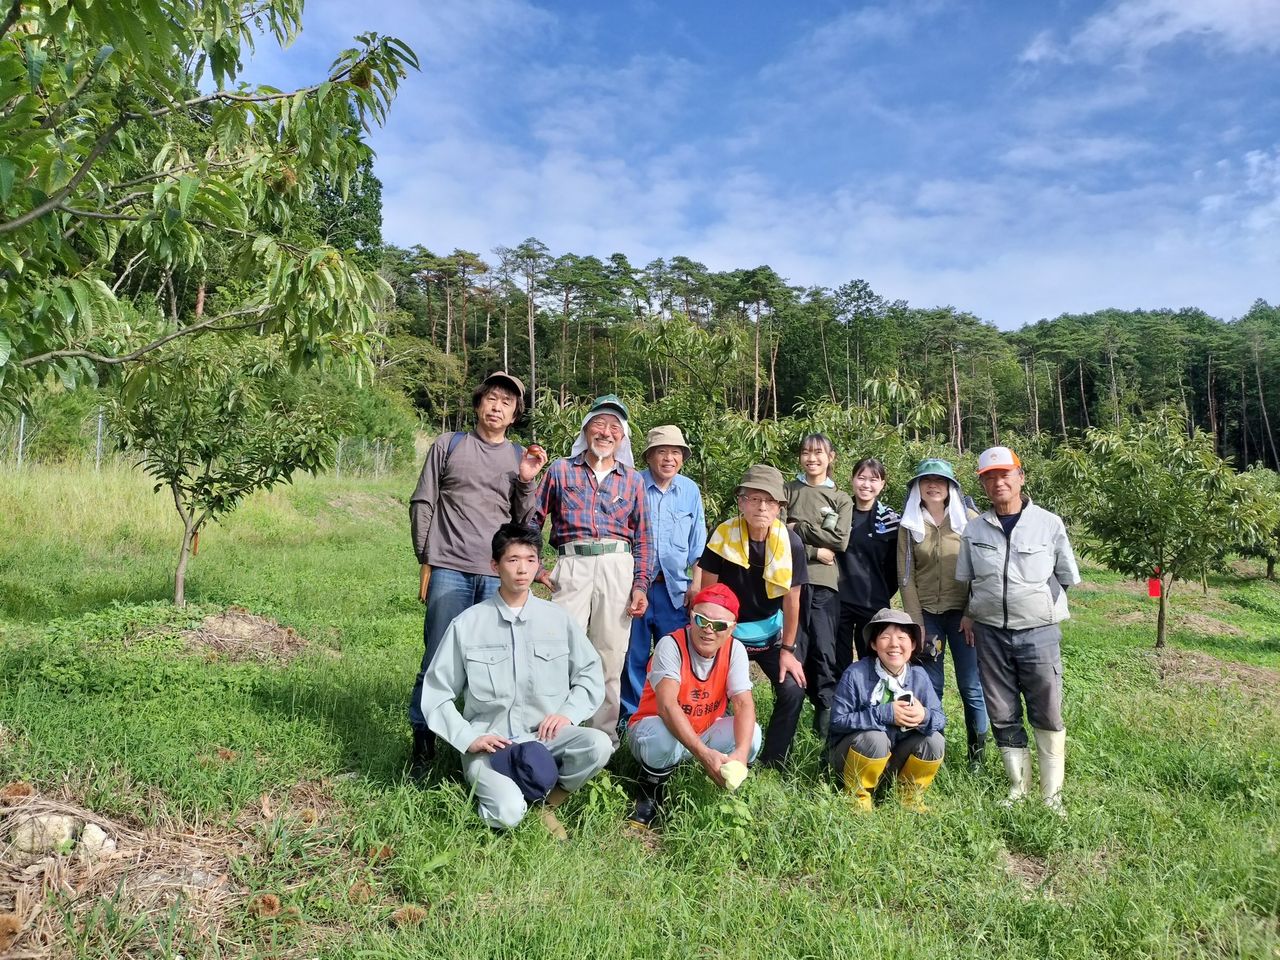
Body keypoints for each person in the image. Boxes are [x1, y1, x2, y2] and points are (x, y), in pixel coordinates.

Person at [419, 523, 612, 837]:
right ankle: (509, 796)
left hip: (544, 738)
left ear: (538, 565)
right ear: (495, 565)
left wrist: (568, 714)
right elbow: (436, 693)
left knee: (598, 745)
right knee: (508, 813)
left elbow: (589, 673)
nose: (522, 569)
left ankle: (547, 803)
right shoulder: (468, 624)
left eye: (530, 560)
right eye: (512, 560)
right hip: (490, 745)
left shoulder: (557, 619)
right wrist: (468, 738)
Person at [407, 371, 549, 778]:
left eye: (507, 402)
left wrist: (526, 481)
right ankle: (423, 740)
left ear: (514, 414)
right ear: (478, 404)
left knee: (492, 662)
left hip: (496, 575)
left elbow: (524, 523)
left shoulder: (518, 456)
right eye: (492, 398)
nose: (497, 406)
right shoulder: (448, 445)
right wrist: (427, 555)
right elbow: (423, 500)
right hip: (449, 568)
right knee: (437, 658)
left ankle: (483, 744)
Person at [957, 446, 1081, 815]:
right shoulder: (975, 528)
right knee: (1002, 709)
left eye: (1004, 475)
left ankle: (1051, 794)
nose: (998, 483)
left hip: (1038, 632)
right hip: (991, 632)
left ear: (1020, 477)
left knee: (1047, 709)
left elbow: (1066, 576)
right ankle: (1018, 787)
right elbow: (969, 580)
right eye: (989, 477)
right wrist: (971, 614)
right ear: (982, 484)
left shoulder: (1049, 524)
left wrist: (1037, 607)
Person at [531, 394, 653, 745]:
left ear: (623, 438)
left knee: (610, 655)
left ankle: (602, 741)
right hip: (572, 564)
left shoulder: (632, 481)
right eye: (599, 424)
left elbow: (644, 538)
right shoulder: (560, 469)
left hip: (618, 568)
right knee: (557, 650)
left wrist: (640, 585)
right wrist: (538, 567)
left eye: (615, 427)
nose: (606, 432)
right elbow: (532, 520)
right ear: (586, 430)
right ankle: (553, 734)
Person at [697, 464, 808, 769]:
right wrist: (714, 643)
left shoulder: (790, 543)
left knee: (793, 689)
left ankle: (773, 759)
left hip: (771, 633)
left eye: (770, 501)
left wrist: (788, 650)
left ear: (780, 507)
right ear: (741, 502)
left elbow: (792, 602)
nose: (762, 507)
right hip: (727, 632)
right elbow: (708, 596)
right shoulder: (723, 535)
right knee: (714, 688)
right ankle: (711, 747)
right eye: (754, 498)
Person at [625, 583, 761, 829]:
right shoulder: (671, 645)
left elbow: (743, 704)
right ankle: (650, 794)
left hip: (701, 733)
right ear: (691, 616)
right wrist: (703, 754)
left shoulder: (735, 650)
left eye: (719, 625)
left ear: (732, 629)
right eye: (702, 620)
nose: (708, 630)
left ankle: (731, 789)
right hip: (653, 731)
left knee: (753, 736)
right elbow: (666, 706)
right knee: (661, 736)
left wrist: (740, 754)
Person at [897, 458, 989, 771]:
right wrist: (916, 623)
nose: (932, 486)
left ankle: (977, 757)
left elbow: (981, 572)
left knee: (971, 686)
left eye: (939, 481)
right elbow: (906, 576)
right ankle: (933, 751)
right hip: (928, 618)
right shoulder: (909, 525)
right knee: (930, 686)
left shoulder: (971, 520)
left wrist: (971, 613)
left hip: (963, 616)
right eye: (926, 481)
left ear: (951, 486)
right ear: (917, 488)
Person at [619, 425, 707, 731]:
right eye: (662, 452)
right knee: (634, 655)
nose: (669, 458)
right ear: (649, 456)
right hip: (636, 587)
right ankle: (630, 718)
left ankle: (676, 717)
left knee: (676, 656)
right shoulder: (632, 483)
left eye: (675, 452)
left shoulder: (690, 491)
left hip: (675, 591)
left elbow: (699, 546)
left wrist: (696, 586)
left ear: (682, 458)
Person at [828, 608, 945, 812]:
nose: (894, 644)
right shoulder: (856, 674)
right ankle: (857, 797)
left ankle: (909, 797)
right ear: (874, 644)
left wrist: (924, 716)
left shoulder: (919, 676)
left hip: (894, 762)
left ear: (913, 644)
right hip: (850, 759)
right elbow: (837, 721)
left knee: (934, 740)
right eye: (885, 637)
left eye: (902, 637)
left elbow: (940, 719)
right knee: (875, 738)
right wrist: (884, 714)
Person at [784, 434, 852, 738]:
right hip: (790, 581)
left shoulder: (840, 498)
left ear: (831, 457)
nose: (812, 458)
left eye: (818, 453)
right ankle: (788, 727)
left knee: (824, 653)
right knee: (793, 650)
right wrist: (812, 550)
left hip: (825, 586)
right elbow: (779, 532)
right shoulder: (789, 490)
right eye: (806, 453)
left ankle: (824, 734)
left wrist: (799, 527)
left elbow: (839, 540)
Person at [836, 457, 900, 672]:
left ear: (882, 484)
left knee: (873, 659)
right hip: (838, 600)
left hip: (873, 601)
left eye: (874, 480)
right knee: (838, 659)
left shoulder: (891, 521)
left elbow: (895, 567)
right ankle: (840, 702)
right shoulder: (838, 514)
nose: (866, 484)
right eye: (861, 478)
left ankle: (872, 703)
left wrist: (882, 593)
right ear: (852, 479)